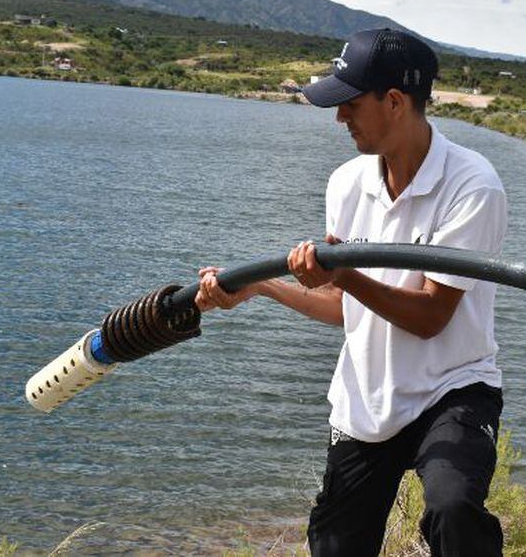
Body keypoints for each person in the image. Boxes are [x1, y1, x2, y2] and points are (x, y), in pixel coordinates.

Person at [195, 28, 508, 556]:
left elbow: (432, 316)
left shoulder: (473, 186)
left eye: (350, 104)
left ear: (394, 101)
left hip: (452, 390)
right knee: (337, 544)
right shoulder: (346, 182)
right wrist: (264, 289)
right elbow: (345, 309)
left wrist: (346, 275)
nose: (339, 118)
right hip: (368, 394)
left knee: (453, 510)